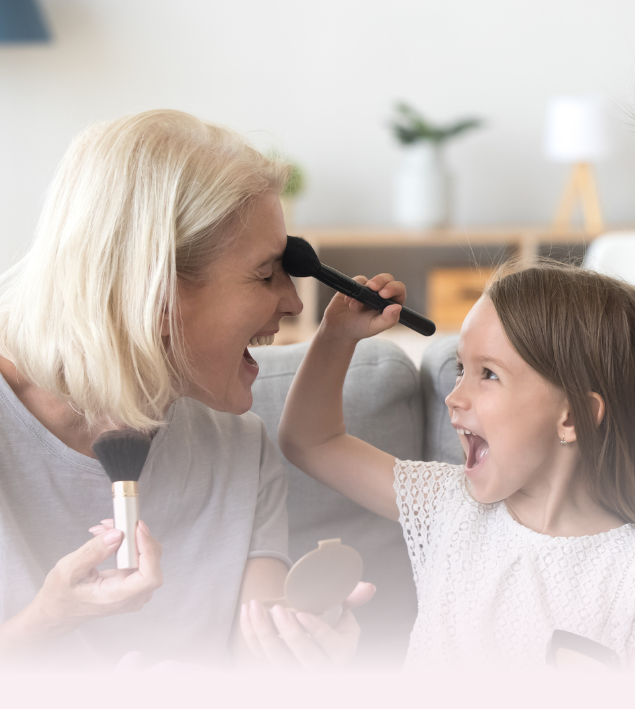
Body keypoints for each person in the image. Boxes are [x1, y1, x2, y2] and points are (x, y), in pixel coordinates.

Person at [0, 109, 371, 669]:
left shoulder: (241, 448)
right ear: (154, 295)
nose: (294, 303)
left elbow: (258, 659)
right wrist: (50, 617)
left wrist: (306, 649)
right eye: (265, 273)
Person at [274, 261, 635, 668]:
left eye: (488, 374)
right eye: (460, 369)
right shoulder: (447, 505)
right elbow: (310, 442)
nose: (454, 397)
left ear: (574, 417)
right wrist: (335, 336)